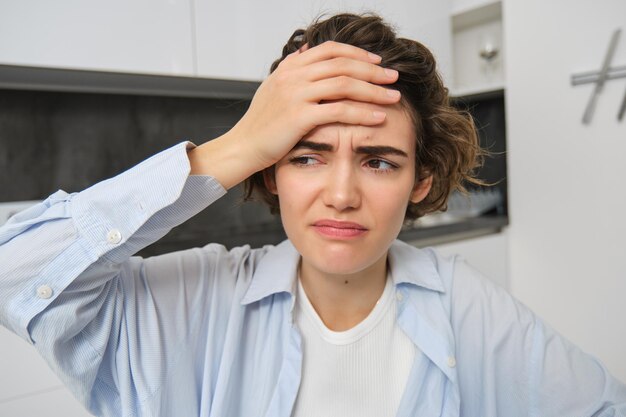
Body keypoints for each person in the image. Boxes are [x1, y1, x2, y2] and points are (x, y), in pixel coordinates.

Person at [0, 12, 625, 417]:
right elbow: (17, 275)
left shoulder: (469, 309)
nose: (342, 193)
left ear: (420, 180)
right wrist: (237, 146)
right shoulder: (191, 306)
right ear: (269, 170)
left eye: (379, 161)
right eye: (307, 156)